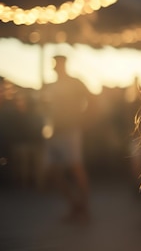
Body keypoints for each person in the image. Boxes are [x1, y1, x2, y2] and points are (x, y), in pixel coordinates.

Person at [41, 55, 91, 224]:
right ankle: (74, 205)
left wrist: (83, 118)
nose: (55, 67)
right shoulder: (51, 85)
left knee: (75, 166)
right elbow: (46, 106)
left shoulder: (75, 83)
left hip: (70, 129)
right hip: (55, 131)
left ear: (63, 64)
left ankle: (83, 205)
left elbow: (92, 101)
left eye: (57, 63)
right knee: (53, 170)